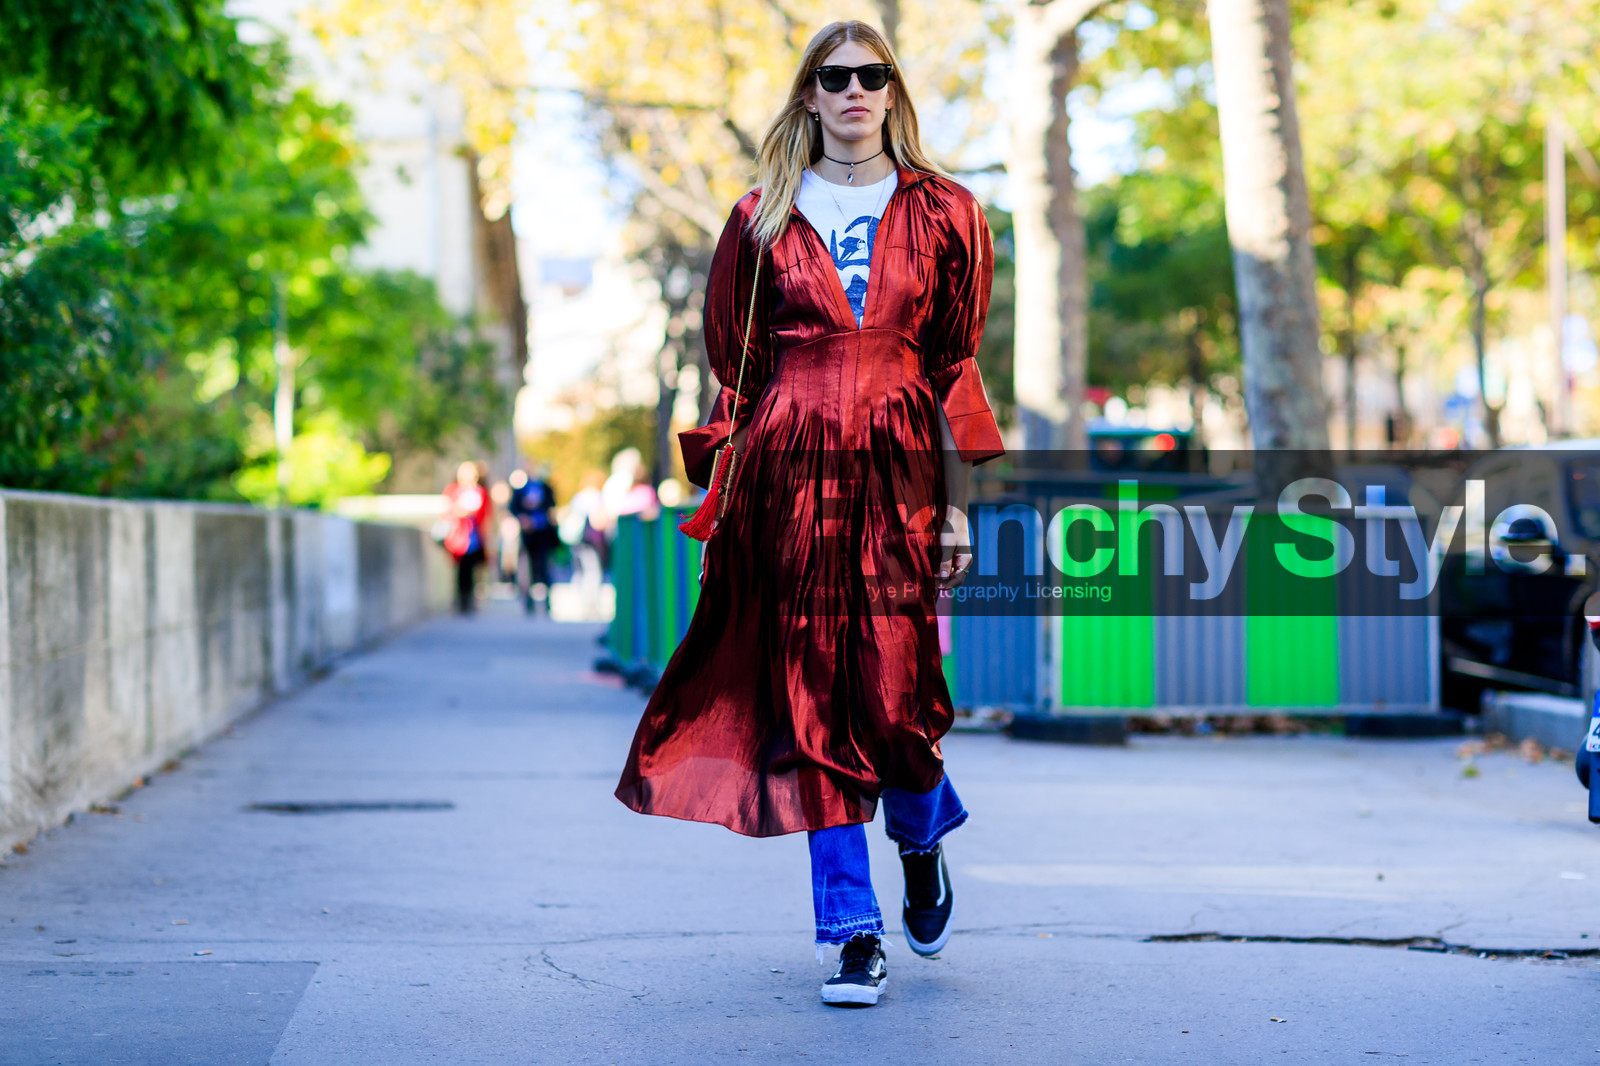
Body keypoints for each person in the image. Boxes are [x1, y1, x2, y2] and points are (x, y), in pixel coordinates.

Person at [614, 21, 1004, 1008]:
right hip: (789, 482)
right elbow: (735, 371)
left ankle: (920, 839)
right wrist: (723, 494)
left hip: (904, 473)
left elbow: (953, 364)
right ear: (809, 97)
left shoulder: (951, 213)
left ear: (892, 92)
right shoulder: (759, 217)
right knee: (814, 701)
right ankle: (849, 931)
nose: (854, 93)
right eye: (834, 79)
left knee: (900, 703)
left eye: (872, 77)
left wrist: (958, 506)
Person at [507, 465, 559, 616]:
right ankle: (528, 602)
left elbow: (551, 506)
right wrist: (523, 519)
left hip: (543, 534)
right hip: (527, 536)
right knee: (526, 569)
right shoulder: (521, 489)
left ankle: (547, 602)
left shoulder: (544, 487)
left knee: (544, 567)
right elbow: (513, 508)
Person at [441, 460, 492, 615]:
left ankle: (470, 601)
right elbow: (446, 511)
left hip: (474, 537)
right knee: (460, 572)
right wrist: (460, 510)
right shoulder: (452, 491)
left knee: (472, 571)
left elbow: (485, 515)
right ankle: (459, 602)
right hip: (457, 539)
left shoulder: (480, 492)